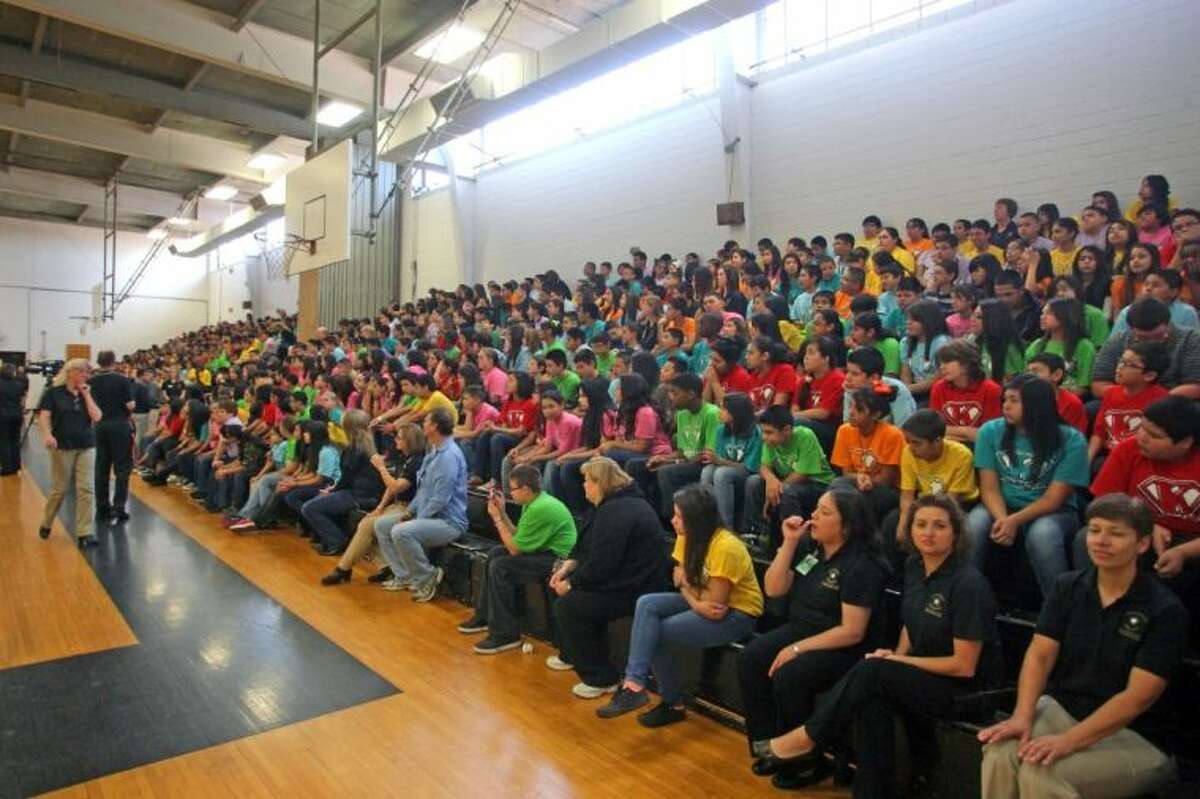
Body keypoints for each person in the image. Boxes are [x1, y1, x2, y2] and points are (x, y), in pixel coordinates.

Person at [759, 494, 1002, 798]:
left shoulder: (968, 584)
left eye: (939, 526)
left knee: (875, 671)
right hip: (930, 675)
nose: (928, 532)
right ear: (910, 530)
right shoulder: (916, 567)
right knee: (875, 695)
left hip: (967, 690)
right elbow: (911, 625)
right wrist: (897, 656)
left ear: (956, 533)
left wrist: (899, 664)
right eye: (921, 524)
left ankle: (807, 737)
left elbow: (964, 666)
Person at [979, 494, 1187, 799]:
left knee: (1041, 773)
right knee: (1000, 752)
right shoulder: (1068, 587)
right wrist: (1022, 716)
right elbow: (1039, 656)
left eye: (1115, 534)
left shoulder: (1164, 610)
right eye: (1095, 530)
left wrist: (1069, 741)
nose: (1101, 541)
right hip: (1064, 710)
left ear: (1142, 544)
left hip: (1136, 735)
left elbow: (1138, 697)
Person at [737, 490, 887, 789]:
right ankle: (770, 744)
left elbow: (852, 631)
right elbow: (774, 589)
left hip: (844, 646)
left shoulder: (862, 565)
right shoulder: (811, 549)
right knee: (751, 659)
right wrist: (790, 543)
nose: (814, 516)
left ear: (847, 526)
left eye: (825, 512)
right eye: (816, 509)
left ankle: (809, 758)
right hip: (802, 630)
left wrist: (796, 649)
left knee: (791, 675)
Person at [597, 485, 763, 727]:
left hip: (739, 614)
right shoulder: (687, 537)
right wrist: (692, 593)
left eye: (678, 516)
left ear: (696, 519)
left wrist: (688, 589)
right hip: (703, 600)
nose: (672, 521)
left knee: (654, 633)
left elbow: (714, 606)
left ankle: (671, 702)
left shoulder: (726, 546)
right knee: (646, 604)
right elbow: (691, 588)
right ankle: (634, 685)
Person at [548, 457, 672, 696]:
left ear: (600, 483)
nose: (584, 485)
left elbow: (603, 563)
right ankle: (571, 654)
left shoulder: (619, 511)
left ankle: (602, 677)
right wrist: (566, 569)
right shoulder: (608, 506)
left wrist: (572, 583)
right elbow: (584, 549)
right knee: (556, 584)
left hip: (635, 589)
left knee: (569, 606)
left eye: (587, 481)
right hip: (617, 579)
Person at [968, 375, 1090, 597]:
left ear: (1037, 404)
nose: (1006, 406)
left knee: (1042, 535)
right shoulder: (990, 431)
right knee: (974, 524)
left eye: (1015, 401)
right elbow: (989, 488)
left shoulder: (1072, 440)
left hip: (1052, 511)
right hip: (1001, 505)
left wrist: (1015, 520)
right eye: (1005, 399)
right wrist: (1003, 518)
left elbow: (1054, 499)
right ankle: (965, 596)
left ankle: (1060, 606)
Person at [1087, 396, 1200, 625]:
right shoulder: (1128, 449)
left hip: (1193, 541)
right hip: (1138, 531)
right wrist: (1148, 524)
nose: (1141, 437)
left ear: (1186, 442)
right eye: (1141, 428)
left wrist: (1184, 552)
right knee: (1089, 538)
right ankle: (1095, 614)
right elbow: (1104, 505)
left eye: (1155, 436)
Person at [458, 464, 577, 654]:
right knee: (495, 554)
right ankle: (485, 616)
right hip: (544, 552)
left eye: (512, 488)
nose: (509, 492)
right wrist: (503, 512)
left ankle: (506, 635)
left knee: (501, 566)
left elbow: (514, 549)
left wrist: (497, 518)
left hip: (559, 560)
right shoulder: (532, 502)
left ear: (526, 489)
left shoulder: (541, 508)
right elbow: (518, 536)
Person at [374, 407, 468, 602]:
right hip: (430, 515)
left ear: (434, 426)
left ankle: (427, 577)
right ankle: (404, 576)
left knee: (401, 531)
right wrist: (409, 512)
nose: (423, 424)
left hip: (448, 522)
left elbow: (441, 499)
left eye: (426, 421)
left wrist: (417, 519)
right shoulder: (433, 451)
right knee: (382, 525)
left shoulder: (449, 456)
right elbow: (423, 490)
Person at [300, 409, 385, 556]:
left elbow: (346, 479)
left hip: (358, 495)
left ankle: (336, 542)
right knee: (322, 501)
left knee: (309, 507)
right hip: (367, 493)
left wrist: (332, 490)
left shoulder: (354, 449)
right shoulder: (372, 444)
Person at [37, 358, 102, 547]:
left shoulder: (87, 393)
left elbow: (97, 416)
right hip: (62, 445)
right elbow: (44, 416)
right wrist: (47, 435)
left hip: (86, 444)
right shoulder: (53, 393)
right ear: (71, 372)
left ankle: (85, 532)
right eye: (82, 372)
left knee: (86, 488)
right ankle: (47, 521)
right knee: (60, 489)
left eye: (87, 373)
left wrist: (87, 396)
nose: (86, 376)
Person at [746, 405, 834, 545]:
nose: (764, 437)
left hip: (818, 484)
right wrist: (771, 480)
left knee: (786, 491)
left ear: (786, 430)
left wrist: (776, 487)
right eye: (763, 432)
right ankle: (760, 534)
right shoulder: (770, 442)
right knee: (753, 482)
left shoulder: (805, 435)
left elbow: (803, 474)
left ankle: (795, 544)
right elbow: (764, 466)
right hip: (788, 482)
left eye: (769, 432)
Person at [1091, 298, 1200, 399]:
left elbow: (1195, 385)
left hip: (1174, 399)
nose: (1151, 341)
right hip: (1126, 397)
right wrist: (1129, 397)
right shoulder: (1118, 341)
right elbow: (1099, 383)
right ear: (1132, 329)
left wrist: (1155, 399)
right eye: (1143, 338)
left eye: (1158, 336)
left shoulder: (1190, 340)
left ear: (1167, 324)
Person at [646, 373, 720, 518]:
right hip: (687, 461)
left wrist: (673, 462)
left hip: (704, 464)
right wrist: (663, 458)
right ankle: (650, 517)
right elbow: (682, 451)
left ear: (691, 394)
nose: (670, 397)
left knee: (667, 472)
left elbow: (707, 454)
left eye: (675, 393)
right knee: (642, 465)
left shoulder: (712, 413)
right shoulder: (681, 414)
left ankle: (671, 521)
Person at [829, 386, 905, 522]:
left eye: (858, 409)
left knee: (856, 498)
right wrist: (859, 477)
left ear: (876, 415)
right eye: (851, 406)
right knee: (836, 485)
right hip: (857, 483)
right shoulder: (844, 430)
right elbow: (846, 472)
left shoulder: (893, 435)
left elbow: (886, 480)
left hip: (887, 490)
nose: (851, 412)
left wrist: (866, 481)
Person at [1087, 341, 1169, 467]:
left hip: (1138, 461)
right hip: (1109, 455)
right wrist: (1087, 460)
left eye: (1129, 365)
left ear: (1149, 375)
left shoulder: (1161, 400)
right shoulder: (1111, 393)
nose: (1119, 367)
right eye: (1121, 361)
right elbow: (1099, 433)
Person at [699, 392, 762, 529]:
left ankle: (725, 527)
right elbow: (720, 459)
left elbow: (751, 467)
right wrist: (713, 459)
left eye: (724, 409)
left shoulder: (755, 433)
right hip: (726, 469)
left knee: (722, 473)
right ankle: (705, 521)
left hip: (747, 474)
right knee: (707, 471)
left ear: (737, 412)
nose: (719, 412)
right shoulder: (721, 430)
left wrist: (720, 461)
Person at [88, 351, 136, 524]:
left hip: (100, 425)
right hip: (119, 424)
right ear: (114, 362)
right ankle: (119, 507)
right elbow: (130, 405)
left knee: (101, 466)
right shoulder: (122, 380)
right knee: (122, 467)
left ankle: (102, 507)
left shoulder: (91, 381)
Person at [929, 340, 1003, 444]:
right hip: (948, 447)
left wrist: (950, 432)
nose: (942, 367)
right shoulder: (938, 388)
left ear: (966, 363)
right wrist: (967, 431)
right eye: (940, 363)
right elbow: (934, 430)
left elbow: (989, 435)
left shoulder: (991, 389)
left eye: (947, 362)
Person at [900, 300, 950, 401]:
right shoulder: (906, 342)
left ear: (929, 321)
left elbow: (938, 379)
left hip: (937, 392)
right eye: (908, 318)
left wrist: (906, 389)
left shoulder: (941, 342)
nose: (908, 322)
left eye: (914, 319)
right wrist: (906, 389)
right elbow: (905, 374)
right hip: (913, 391)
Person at [0, 362, 28, 475]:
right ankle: (16, 466)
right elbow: (22, 401)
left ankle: (7, 468)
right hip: (17, 415)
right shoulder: (19, 384)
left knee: (4, 441)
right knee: (15, 440)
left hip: (2, 415)